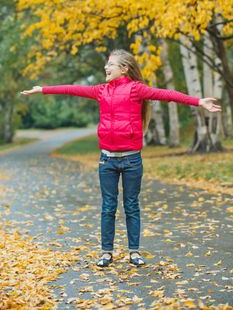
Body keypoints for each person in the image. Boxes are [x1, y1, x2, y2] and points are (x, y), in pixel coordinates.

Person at [20, 49, 221, 267]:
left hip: (132, 160)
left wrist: (198, 101)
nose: (106, 68)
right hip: (107, 160)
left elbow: (167, 95)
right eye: (107, 65)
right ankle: (107, 253)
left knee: (131, 206)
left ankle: (134, 252)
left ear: (123, 69)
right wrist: (43, 89)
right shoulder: (101, 90)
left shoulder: (136, 90)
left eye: (111, 65)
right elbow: (73, 89)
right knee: (108, 206)